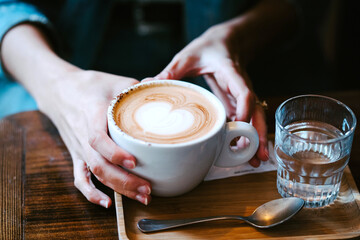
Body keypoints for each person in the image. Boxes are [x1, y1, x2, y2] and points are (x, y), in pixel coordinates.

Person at [0, 0, 298, 207]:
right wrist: (56, 84)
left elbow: (297, 8)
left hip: (223, 57)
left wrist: (233, 37)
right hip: (60, 56)